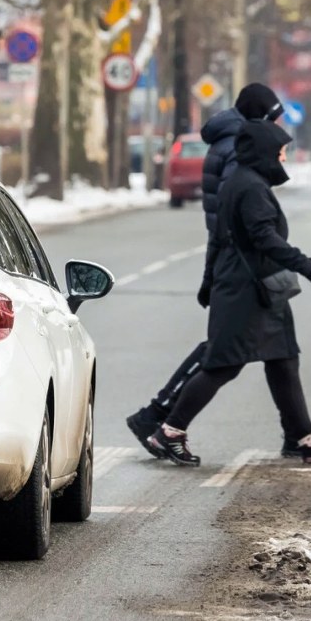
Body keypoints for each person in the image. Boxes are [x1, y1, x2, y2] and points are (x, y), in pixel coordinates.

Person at [146, 120, 311, 466]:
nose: (283, 158)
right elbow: (264, 238)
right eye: (280, 151)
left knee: (283, 358)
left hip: (255, 287)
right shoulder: (250, 186)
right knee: (222, 364)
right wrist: (307, 266)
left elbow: (223, 237)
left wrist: (209, 278)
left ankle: (305, 438)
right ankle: (169, 432)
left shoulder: (245, 180)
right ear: (263, 152)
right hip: (245, 290)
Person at [124, 83, 286, 454]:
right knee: (221, 353)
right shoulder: (237, 145)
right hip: (240, 264)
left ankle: (298, 432)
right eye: (274, 119)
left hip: (232, 259)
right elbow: (241, 207)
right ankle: (160, 417)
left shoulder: (229, 138)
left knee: (246, 351)